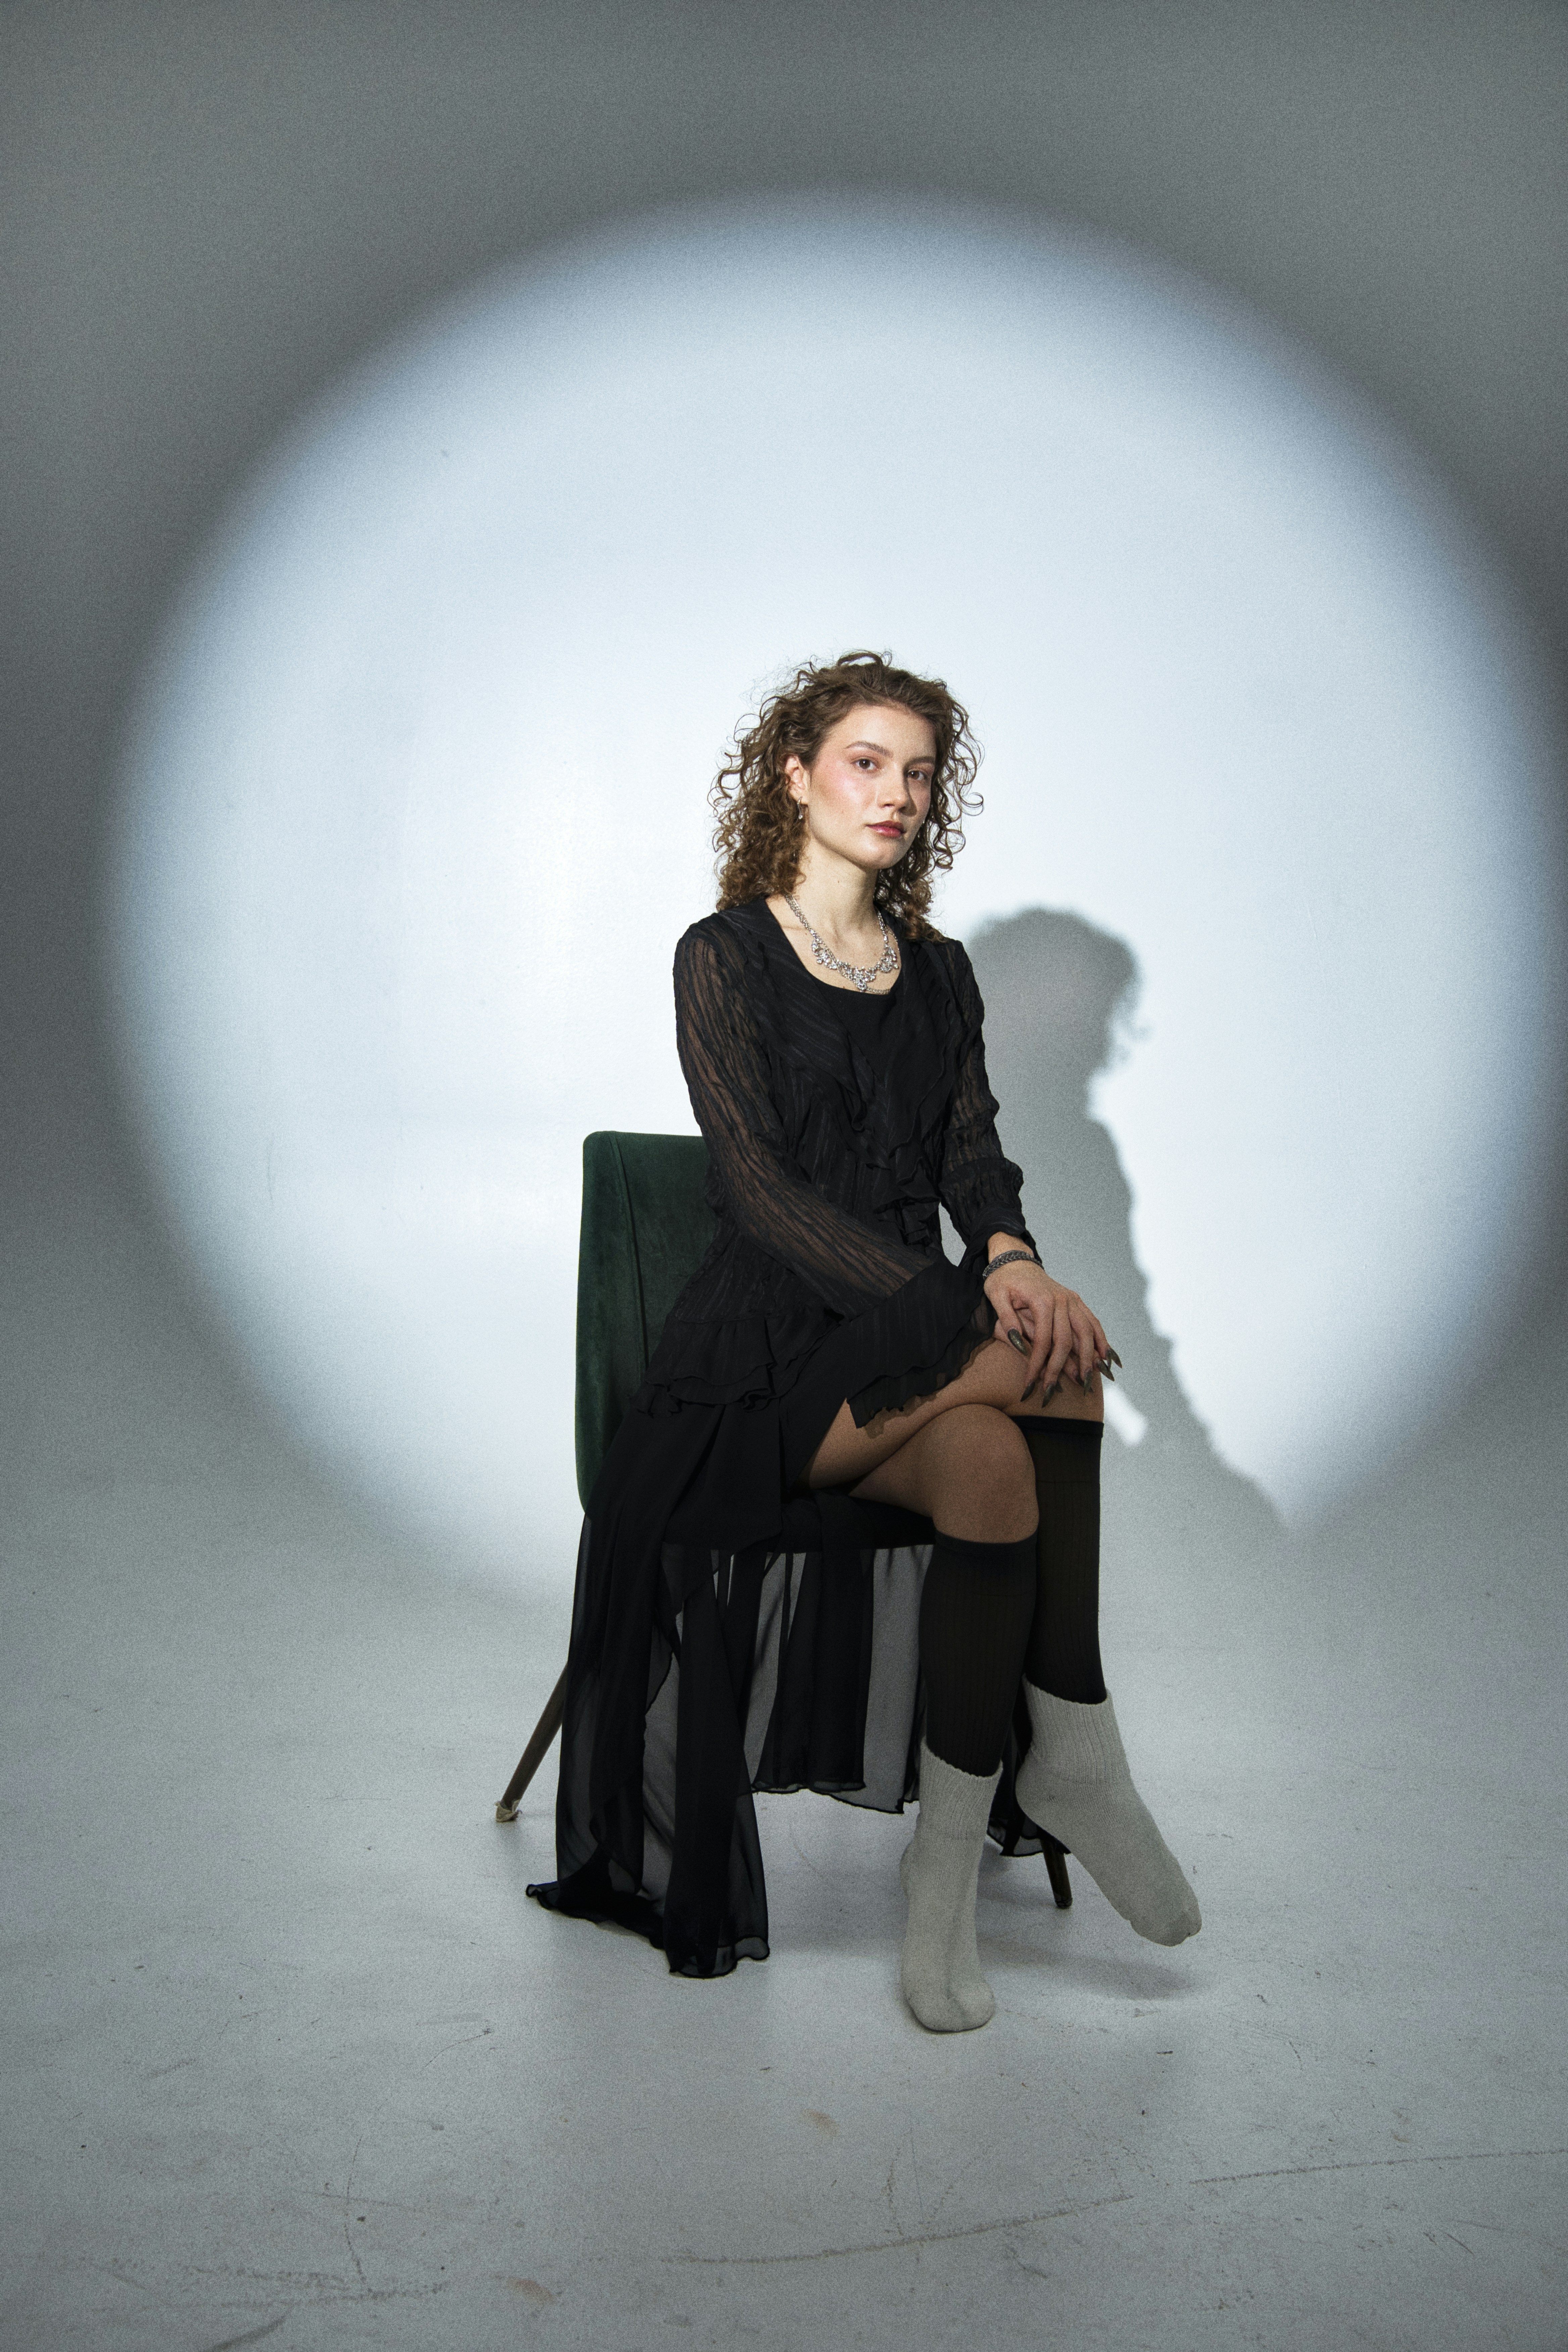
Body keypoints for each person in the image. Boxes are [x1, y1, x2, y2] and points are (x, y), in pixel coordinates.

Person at [528, 651, 1200, 2030]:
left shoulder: (940, 976)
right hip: (758, 1364)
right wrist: (980, 1307)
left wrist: (1010, 1255)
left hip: (901, 1359)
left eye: (918, 772)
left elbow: (972, 1159)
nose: (896, 794)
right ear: (794, 772)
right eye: (864, 762)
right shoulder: (721, 957)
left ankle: (941, 1879)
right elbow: (762, 1196)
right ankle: (1070, 1742)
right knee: (1056, 1374)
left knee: (996, 1470)